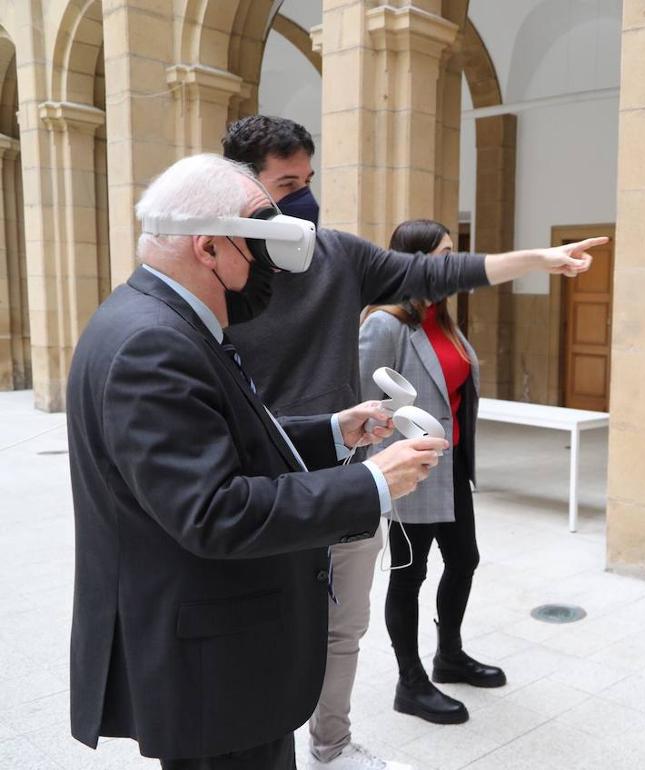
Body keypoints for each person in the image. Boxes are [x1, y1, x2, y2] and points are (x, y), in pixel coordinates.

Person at [220, 115, 605, 770]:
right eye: (287, 183)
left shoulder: (338, 254)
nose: (303, 199)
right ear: (241, 186)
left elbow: (440, 272)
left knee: (343, 631)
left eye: (308, 180)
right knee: (263, 632)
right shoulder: (220, 264)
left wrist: (538, 259)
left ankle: (332, 745)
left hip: (344, 477)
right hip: (264, 480)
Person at [67, 153, 449, 770]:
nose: (269, 269)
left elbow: (221, 441)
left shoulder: (159, 320)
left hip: (213, 655)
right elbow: (215, 511)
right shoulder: (154, 343)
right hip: (211, 662)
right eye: (257, 245)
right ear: (210, 247)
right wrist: (373, 482)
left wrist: (332, 431)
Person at [358, 220, 497, 726]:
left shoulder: (445, 319)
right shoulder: (386, 323)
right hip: (409, 469)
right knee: (409, 573)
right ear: (413, 262)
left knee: (464, 559)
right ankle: (410, 682)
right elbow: (367, 406)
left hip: (452, 464)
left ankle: (449, 656)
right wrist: (391, 466)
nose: (451, 264)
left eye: (452, 253)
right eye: (441, 255)